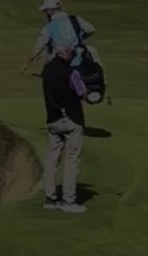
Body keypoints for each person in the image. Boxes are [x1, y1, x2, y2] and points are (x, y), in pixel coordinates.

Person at [40, 43, 88, 213]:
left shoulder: (47, 70)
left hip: (53, 119)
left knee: (52, 158)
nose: (74, 55)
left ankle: (50, 198)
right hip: (71, 120)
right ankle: (69, 200)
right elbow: (83, 94)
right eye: (72, 53)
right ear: (66, 53)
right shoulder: (71, 72)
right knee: (72, 160)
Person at [25, 0, 95, 72]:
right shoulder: (75, 19)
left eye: (45, 10)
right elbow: (91, 30)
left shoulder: (49, 27)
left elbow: (38, 47)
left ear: (50, 10)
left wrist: (26, 63)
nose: (45, 13)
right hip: (80, 61)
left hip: (60, 65)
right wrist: (79, 38)